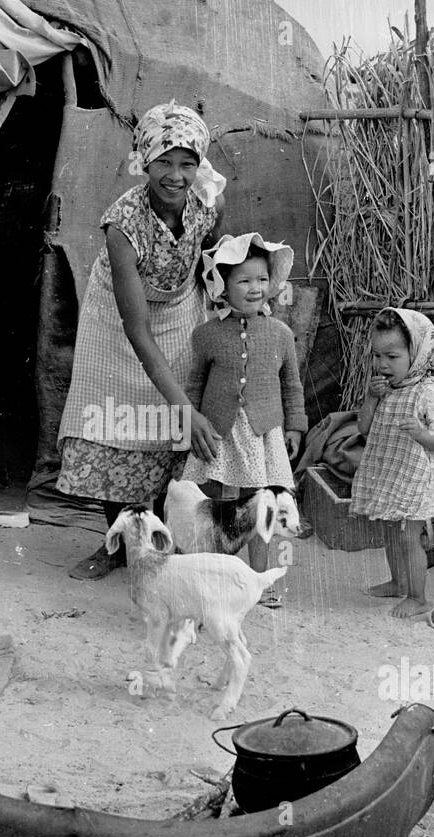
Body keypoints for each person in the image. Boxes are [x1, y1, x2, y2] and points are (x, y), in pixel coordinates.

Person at [57, 101, 226, 579]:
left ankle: (152, 541)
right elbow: (136, 329)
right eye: (164, 162)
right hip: (117, 323)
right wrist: (182, 408)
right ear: (144, 161)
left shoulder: (208, 202)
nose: (175, 175)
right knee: (119, 427)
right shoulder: (123, 226)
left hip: (179, 310)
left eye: (187, 163)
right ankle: (118, 545)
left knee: (161, 436)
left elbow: (217, 260)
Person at [180, 233, 306, 606]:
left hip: (263, 434)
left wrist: (296, 427)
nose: (256, 288)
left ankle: (259, 582)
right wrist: (189, 423)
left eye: (263, 279)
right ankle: (219, 579)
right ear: (221, 284)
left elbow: (292, 385)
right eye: (244, 280)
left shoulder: (281, 334)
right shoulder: (206, 335)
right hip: (219, 434)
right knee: (219, 506)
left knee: (260, 507)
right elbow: (194, 383)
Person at [350, 307, 434, 618]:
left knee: (408, 535)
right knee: (390, 530)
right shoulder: (385, 390)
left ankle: (418, 597)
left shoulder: (427, 391)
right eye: (377, 356)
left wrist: (421, 434)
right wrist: (371, 398)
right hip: (391, 472)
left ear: (417, 354)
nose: (382, 364)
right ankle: (398, 583)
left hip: (417, 475)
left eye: (392, 357)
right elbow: (363, 428)